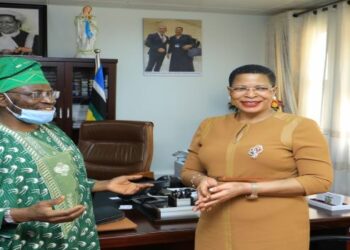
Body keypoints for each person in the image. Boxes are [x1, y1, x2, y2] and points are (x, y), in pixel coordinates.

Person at [0, 57, 153, 249]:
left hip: (77, 237)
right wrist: (22, 215)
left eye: (50, 93)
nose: (48, 100)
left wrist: (104, 184)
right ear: (2, 99)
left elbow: (60, 177)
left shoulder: (52, 132)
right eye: (35, 94)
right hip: (26, 242)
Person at [181, 64, 333, 250]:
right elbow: (189, 171)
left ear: (273, 91)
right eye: (241, 88)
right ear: (230, 92)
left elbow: (319, 180)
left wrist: (247, 187)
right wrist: (201, 180)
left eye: (260, 88)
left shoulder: (300, 126)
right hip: (214, 226)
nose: (250, 95)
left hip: (275, 229)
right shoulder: (209, 125)